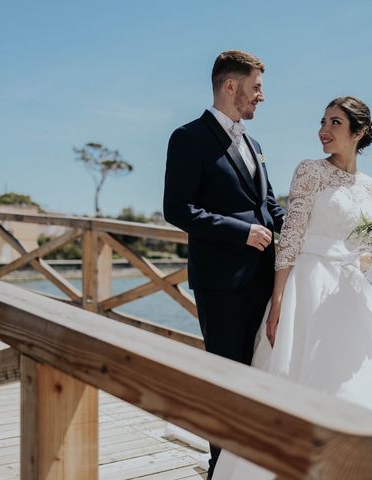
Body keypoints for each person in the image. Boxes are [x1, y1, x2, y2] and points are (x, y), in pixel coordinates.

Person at [212, 97, 372, 479]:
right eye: (322, 121)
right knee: (302, 380)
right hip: (307, 286)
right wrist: (279, 300)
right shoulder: (309, 171)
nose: (324, 130)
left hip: (352, 293)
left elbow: (364, 250)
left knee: (362, 384)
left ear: (360, 132)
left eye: (335, 123)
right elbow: (292, 237)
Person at [163, 50, 286, 476]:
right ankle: (222, 472)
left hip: (265, 281)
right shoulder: (188, 137)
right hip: (222, 284)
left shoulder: (255, 144)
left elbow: (270, 209)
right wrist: (240, 232)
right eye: (256, 87)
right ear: (230, 86)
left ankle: (251, 468)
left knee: (259, 380)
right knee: (225, 382)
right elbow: (177, 209)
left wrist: (320, 234)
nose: (262, 97)